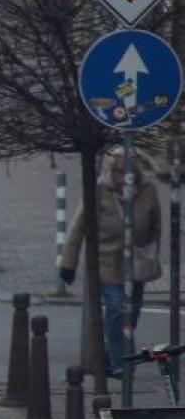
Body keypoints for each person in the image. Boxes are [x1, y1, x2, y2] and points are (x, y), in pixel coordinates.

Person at [61, 149, 163, 377]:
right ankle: (120, 363)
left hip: (136, 263)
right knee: (117, 309)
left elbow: (156, 223)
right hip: (107, 262)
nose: (120, 176)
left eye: (125, 171)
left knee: (132, 313)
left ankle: (110, 354)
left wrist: (152, 252)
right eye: (116, 171)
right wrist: (68, 262)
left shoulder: (148, 189)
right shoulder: (100, 190)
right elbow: (78, 226)